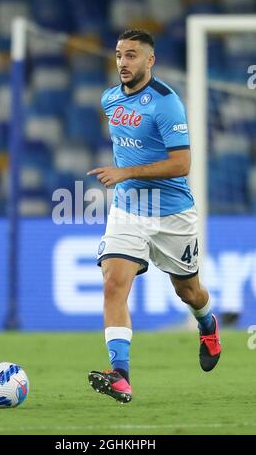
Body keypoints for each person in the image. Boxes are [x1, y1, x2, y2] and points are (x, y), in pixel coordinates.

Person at [86, 29, 221, 404]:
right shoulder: (110, 99)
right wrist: (125, 179)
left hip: (172, 214)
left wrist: (126, 172)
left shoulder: (166, 103)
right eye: (118, 55)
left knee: (188, 291)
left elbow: (182, 163)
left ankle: (208, 324)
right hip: (129, 208)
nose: (122, 63)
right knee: (113, 282)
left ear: (150, 60)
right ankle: (120, 374)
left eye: (131, 55)